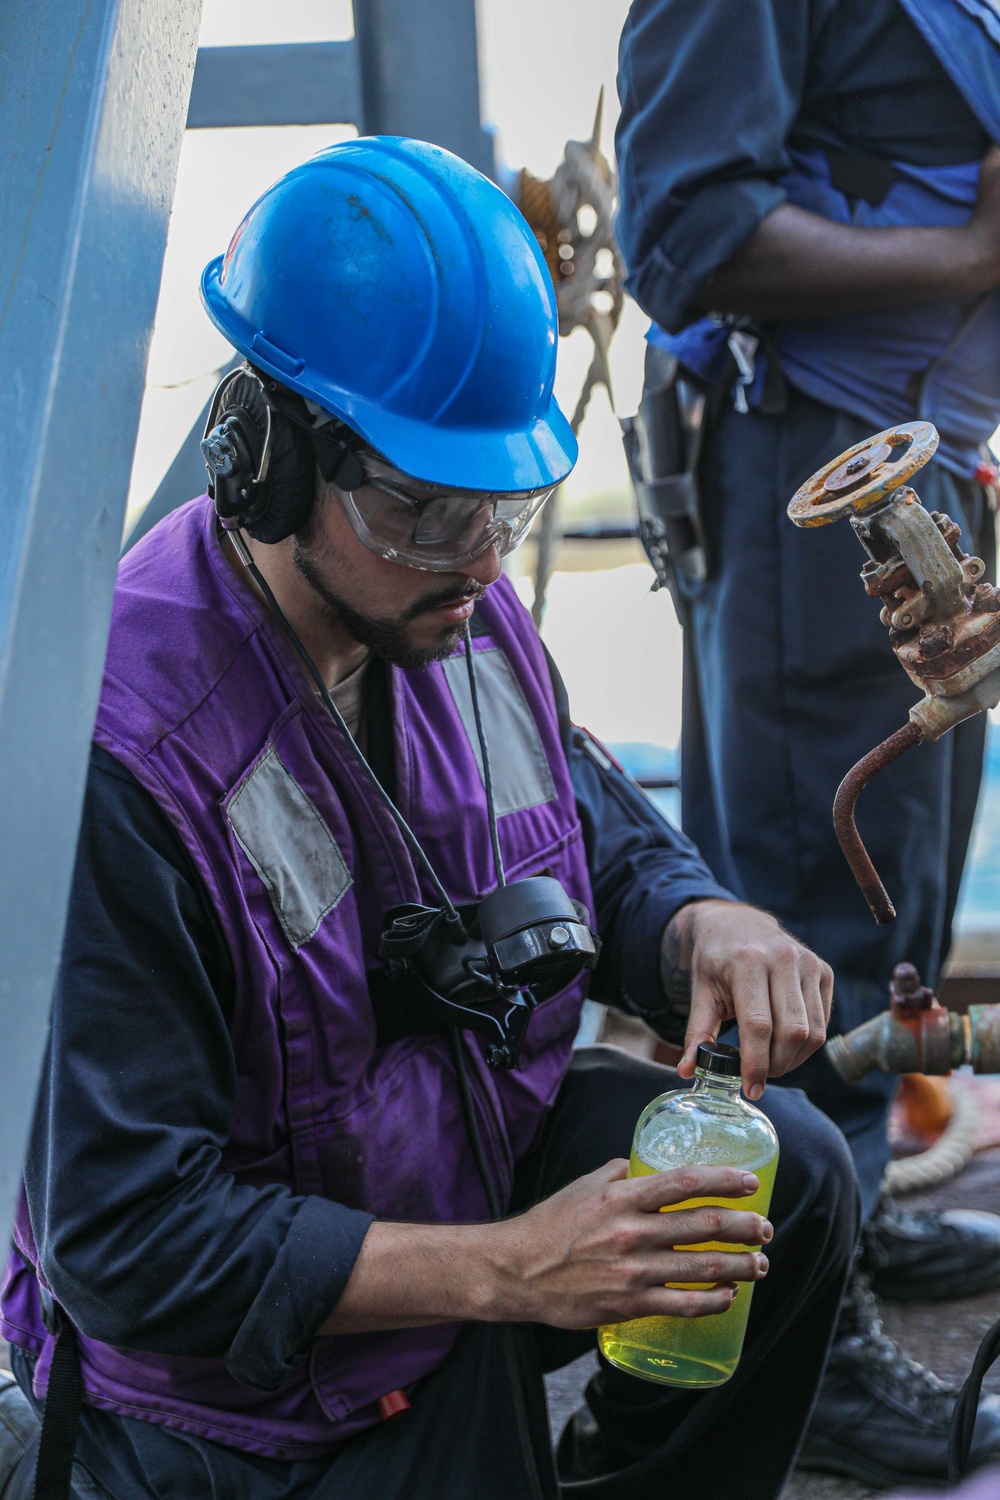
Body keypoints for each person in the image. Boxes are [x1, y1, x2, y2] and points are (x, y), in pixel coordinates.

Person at [0, 138, 863, 1500]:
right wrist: (515, 1271)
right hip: (247, 1402)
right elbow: (128, 1245)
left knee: (789, 1181)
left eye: (506, 509)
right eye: (425, 511)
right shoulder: (131, 761)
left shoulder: (444, 607)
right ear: (268, 461)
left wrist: (700, 917)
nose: (479, 557)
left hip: (453, 1191)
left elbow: (583, 822)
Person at [614, 0, 1000, 1488]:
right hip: (819, 467)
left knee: (896, 881)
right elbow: (687, 232)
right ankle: (806, 1340)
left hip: (917, 463)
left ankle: (850, 1205)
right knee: (806, 912)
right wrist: (971, 260)